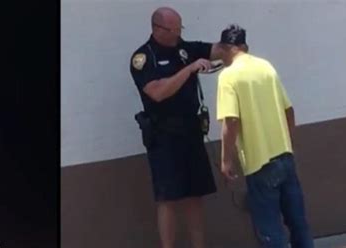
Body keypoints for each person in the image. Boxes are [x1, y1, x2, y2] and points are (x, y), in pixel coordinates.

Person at [129, 7, 222, 248]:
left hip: (190, 131)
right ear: (158, 29)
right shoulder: (143, 58)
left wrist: (232, 41)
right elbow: (157, 92)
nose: (179, 33)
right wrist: (189, 69)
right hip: (164, 136)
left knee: (194, 196)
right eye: (174, 29)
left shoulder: (184, 48)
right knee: (168, 198)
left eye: (181, 27)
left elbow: (215, 50)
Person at [216, 24, 314, 248]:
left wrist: (226, 160)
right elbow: (289, 110)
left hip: (259, 163)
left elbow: (231, 121)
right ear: (245, 46)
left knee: (270, 231)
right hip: (284, 156)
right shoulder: (266, 67)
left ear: (225, 49)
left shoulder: (228, 77)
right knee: (298, 223)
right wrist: (287, 142)